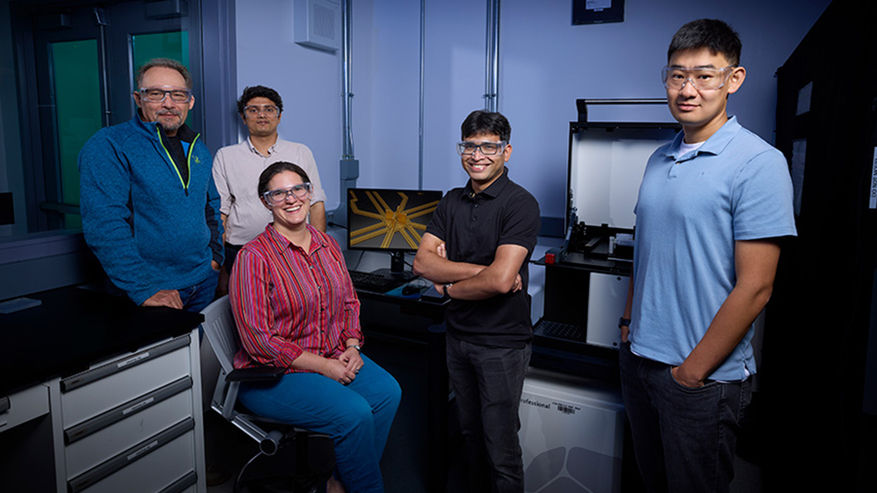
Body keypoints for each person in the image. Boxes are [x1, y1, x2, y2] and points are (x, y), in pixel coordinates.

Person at [618, 19, 797, 493]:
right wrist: (627, 323)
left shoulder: (759, 162)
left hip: (700, 379)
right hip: (640, 360)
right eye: (677, 75)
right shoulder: (659, 158)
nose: (688, 89)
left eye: (704, 75)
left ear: (734, 79)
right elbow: (645, 247)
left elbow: (756, 285)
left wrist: (690, 374)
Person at [229, 161, 401, 493]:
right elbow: (259, 341)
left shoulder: (327, 244)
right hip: (274, 374)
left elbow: (350, 302)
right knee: (353, 412)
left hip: (333, 353)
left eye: (297, 189)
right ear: (266, 202)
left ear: (309, 193)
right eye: (278, 193)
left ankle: (339, 481)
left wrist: (352, 345)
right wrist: (324, 366)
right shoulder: (254, 258)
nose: (290, 198)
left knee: (387, 393)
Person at [413, 110, 540, 493]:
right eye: (469, 146)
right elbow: (422, 263)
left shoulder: (521, 203)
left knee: (499, 444)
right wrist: (483, 273)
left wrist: (449, 284)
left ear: (507, 151)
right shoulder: (451, 201)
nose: (477, 154)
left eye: (489, 146)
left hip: (501, 343)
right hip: (459, 337)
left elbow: (501, 284)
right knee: (469, 434)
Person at [79, 57, 222, 312]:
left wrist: (216, 257)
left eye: (177, 95)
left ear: (190, 101)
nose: (168, 103)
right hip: (151, 291)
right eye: (156, 93)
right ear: (138, 98)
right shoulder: (110, 145)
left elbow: (210, 206)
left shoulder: (198, 147)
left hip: (203, 281)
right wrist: (143, 289)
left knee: (199, 352)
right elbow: (105, 224)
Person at [212, 85, 328, 275]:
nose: (262, 115)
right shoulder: (226, 156)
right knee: (247, 301)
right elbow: (221, 212)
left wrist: (319, 253)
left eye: (269, 109)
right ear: (243, 116)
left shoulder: (300, 152)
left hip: (294, 249)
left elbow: (315, 204)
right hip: (240, 249)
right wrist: (221, 263)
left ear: (279, 116)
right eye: (253, 110)